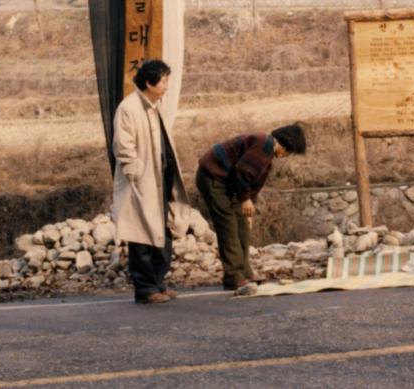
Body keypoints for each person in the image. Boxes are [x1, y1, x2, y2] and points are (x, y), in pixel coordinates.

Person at [112, 59, 191, 304]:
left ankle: (158, 282)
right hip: (143, 181)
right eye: (164, 80)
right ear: (149, 82)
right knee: (142, 236)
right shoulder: (129, 108)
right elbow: (123, 146)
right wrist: (136, 172)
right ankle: (145, 289)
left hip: (160, 179)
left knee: (162, 232)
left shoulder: (155, 106)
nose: (167, 85)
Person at [196, 124, 307, 296]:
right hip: (213, 178)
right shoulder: (264, 146)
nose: (286, 156)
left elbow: (253, 183)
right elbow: (243, 171)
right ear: (285, 145)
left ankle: (244, 271)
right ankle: (234, 276)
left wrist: (249, 207)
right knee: (228, 226)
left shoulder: (267, 153)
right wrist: (245, 199)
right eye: (289, 152)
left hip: (229, 183)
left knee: (242, 227)